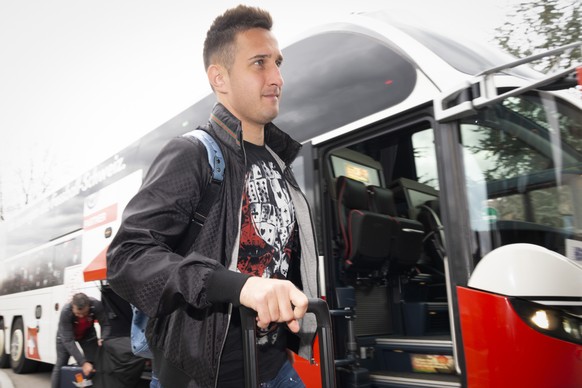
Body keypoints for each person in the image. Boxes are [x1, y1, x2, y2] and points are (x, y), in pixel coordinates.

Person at [106, 4, 319, 388]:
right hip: (203, 378)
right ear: (219, 77)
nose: (276, 77)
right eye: (259, 63)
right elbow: (127, 257)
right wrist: (239, 286)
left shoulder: (281, 163)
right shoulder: (194, 154)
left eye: (278, 62)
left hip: (277, 370)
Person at [51, 292, 111, 388]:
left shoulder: (96, 305)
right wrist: (82, 363)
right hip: (66, 336)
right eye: (78, 314)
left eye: (84, 313)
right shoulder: (66, 312)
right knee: (61, 363)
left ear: (89, 306)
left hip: (87, 334)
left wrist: (104, 337)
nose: (81, 316)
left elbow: (106, 324)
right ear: (72, 307)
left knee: (93, 362)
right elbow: (68, 341)